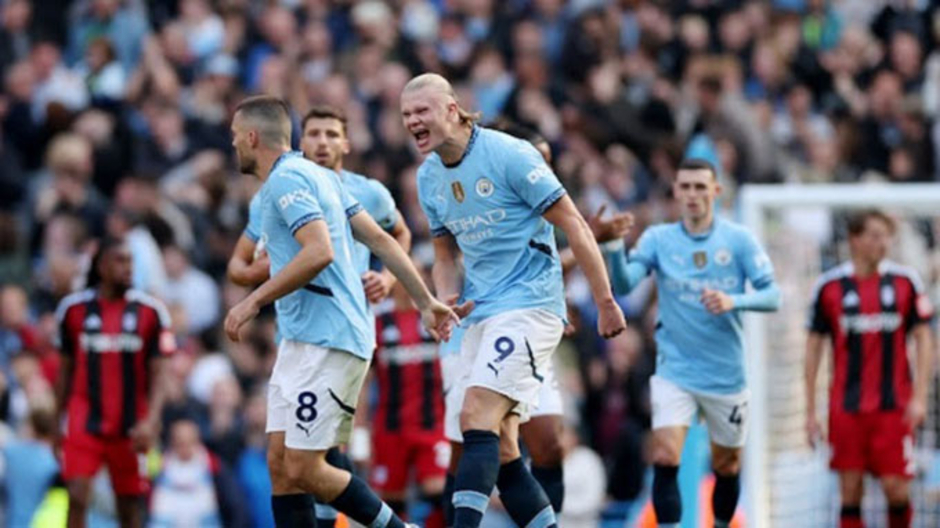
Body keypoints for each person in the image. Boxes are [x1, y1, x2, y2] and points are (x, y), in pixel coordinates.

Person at [401, 73, 626, 528]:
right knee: (502, 451)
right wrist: (446, 299)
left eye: (421, 111)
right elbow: (445, 252)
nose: (412, 121)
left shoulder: (508, 154)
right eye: (405, 115)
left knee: (477, 417)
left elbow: (577, 226)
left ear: (452, 108)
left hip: (530, 305)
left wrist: (604, 300)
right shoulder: (428, 178)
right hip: (480, 312)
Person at [222, 95, 457, 528]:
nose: (233, 144)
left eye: (236, 136)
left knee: (305, 468)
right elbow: (381, 240)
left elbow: (319, 252)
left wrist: (253, 301)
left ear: (253, 137)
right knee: (280, 465)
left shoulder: (286, 182)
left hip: (328, 342)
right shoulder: (321, 178)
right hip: (300, 340)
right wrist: (425, 300)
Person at [604, 158, 781, 528]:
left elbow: (773, 295)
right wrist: (612, 247)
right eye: (685, 187)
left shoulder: (738, 240)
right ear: (676, 192)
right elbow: (623, 284)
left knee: (726, 465)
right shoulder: (658, 239)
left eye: (701, 187)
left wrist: (736, 301)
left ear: (715, 191)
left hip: (725, 374)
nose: (692, 194)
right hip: (675, 369)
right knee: (666, 455)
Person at [805, 210, 934, 528]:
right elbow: (813, 349)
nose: (883, 243)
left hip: (894, 408)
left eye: (887, 236)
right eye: (875, 235)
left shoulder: (905, 282)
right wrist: (810, 411)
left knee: (896, 487)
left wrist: (920, 397)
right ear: (855, 240)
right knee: (849, 491)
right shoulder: (830, 287)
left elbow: (925, 340)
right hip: (847, 408)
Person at [55, 235, 175, 528]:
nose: (128, 268)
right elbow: (65, 371)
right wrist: (58, 421)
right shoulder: (72, 311)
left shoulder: (151, 312)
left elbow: (160, 373)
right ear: (101, 266)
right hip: (85, 420)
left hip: (131, 424)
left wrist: (153, 420)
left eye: (130, 261)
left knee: (129, 508)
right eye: (120, 261)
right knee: (78, 497)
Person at [369, 279, 448, 527]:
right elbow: (363, 381)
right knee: (392, 501)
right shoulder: (378, 323)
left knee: (439, 491)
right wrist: (359, 432)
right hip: (390, 427)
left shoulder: (434, 318)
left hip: (432, 424)